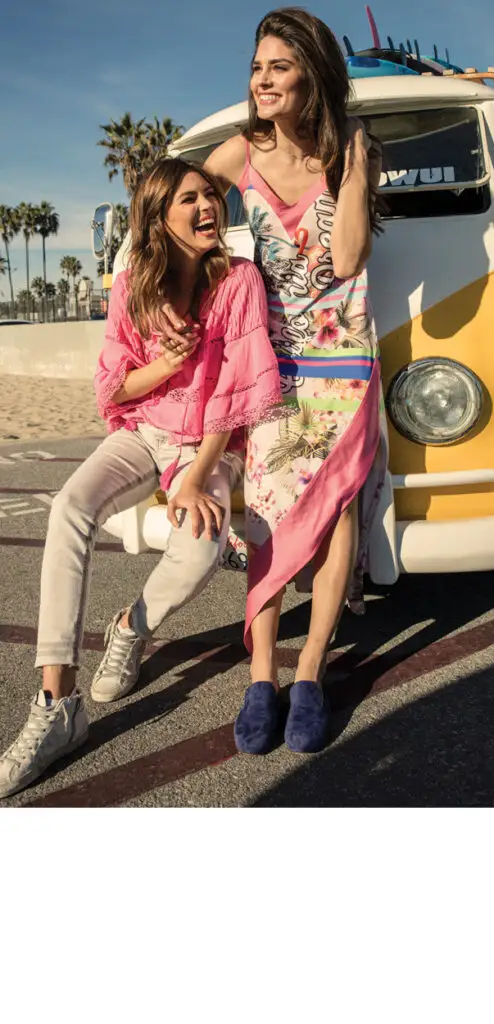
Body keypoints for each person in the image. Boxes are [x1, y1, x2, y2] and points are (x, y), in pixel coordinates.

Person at [0, 160, 280, 797]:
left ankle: (131, 627)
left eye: (212, 194)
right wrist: (166, 363)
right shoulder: (132, 285)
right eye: (190, 198)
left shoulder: (238, 281)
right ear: (159, 216)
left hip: (208, 445)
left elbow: (232, 394)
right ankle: (55, 706)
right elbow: (115, 386)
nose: (209, 205)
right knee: (68, 506)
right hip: (144, 429)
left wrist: (195, 479)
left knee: (202, 546)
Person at [204, 6, 386, 755]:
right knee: (269, 510)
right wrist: (204, 274)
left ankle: (308, 672)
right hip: (271, 359)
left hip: (343, 356)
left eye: (279, 66)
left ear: (311, 72)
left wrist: (357, 166)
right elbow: (176, 207)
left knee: (336, 510)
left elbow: (345, 261)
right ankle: (261, 675)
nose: (264, 80)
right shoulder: (238, 152)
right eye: (257, 68)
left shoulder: (346, 148)